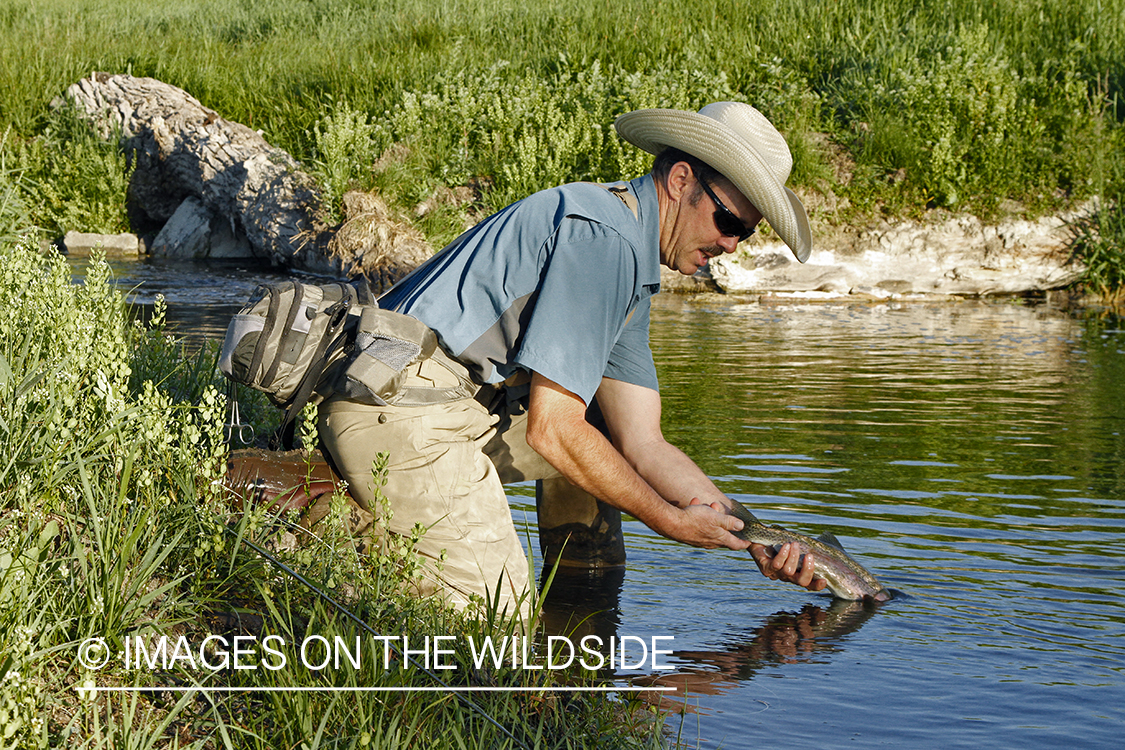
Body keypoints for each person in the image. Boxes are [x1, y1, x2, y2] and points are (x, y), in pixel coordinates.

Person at [317, 101, 824, 619]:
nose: (732, 245)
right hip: (394, 404)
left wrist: (755, 534)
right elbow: (552, 431)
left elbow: (644, 443)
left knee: (601, 424)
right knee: (497, 622)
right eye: (727, 221)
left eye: (747, 232)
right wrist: (669, 522)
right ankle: (355, 530)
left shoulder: (631, 251)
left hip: (444, 402)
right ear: (680, 180)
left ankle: (580, 598)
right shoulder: (605, 241)